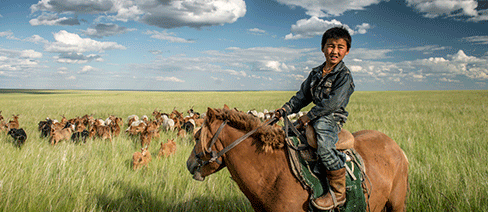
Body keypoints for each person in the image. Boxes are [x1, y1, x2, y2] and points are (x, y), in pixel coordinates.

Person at [275, 26, 355, 210]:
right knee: (283, 133)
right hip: (315, 115)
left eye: (340, 47)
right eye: (330, 46)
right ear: (322, 48)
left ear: (347, 51)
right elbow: (302, 97)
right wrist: (284, 110)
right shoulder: (316, 73)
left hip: (331, 118)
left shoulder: (344, 76)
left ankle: (338, 193)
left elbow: (332, 104)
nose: (334, 51)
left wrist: (308, 117)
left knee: (325, 146)